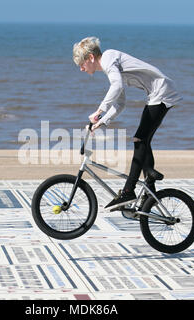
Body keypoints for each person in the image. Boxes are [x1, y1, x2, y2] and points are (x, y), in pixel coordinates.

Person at [72, 36, 182, 210]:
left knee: (139, 139)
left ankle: (129, 190)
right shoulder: (111, 69)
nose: (81, 68)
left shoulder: (108, 58)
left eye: (82, 63)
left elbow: (116, 87)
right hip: (158, 93)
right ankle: (149, 186)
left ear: (91, 57)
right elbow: (120, 103)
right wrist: (102, 122)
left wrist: (99, 111)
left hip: (162, 92)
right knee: (143, 140)